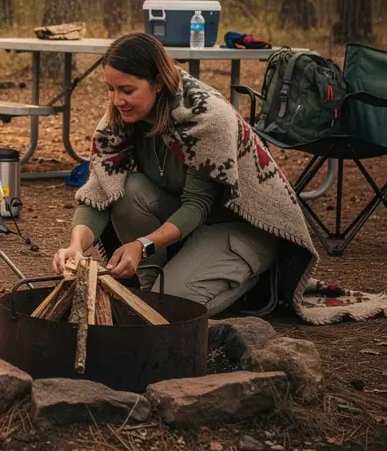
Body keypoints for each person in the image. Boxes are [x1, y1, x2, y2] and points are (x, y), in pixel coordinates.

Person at [53, 32, 318, 317]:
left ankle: (259, 284)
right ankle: (151, 288)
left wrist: (141, 245)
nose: (117, 100)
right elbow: (99, 191)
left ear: (157, 82)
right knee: (127, 190)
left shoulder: (208, 118)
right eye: (110, 89)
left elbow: (197, 204)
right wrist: (75, 246)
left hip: (241, 226)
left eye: (127, 90)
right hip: (187, 224)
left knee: (172, 308)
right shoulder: (119, 121)